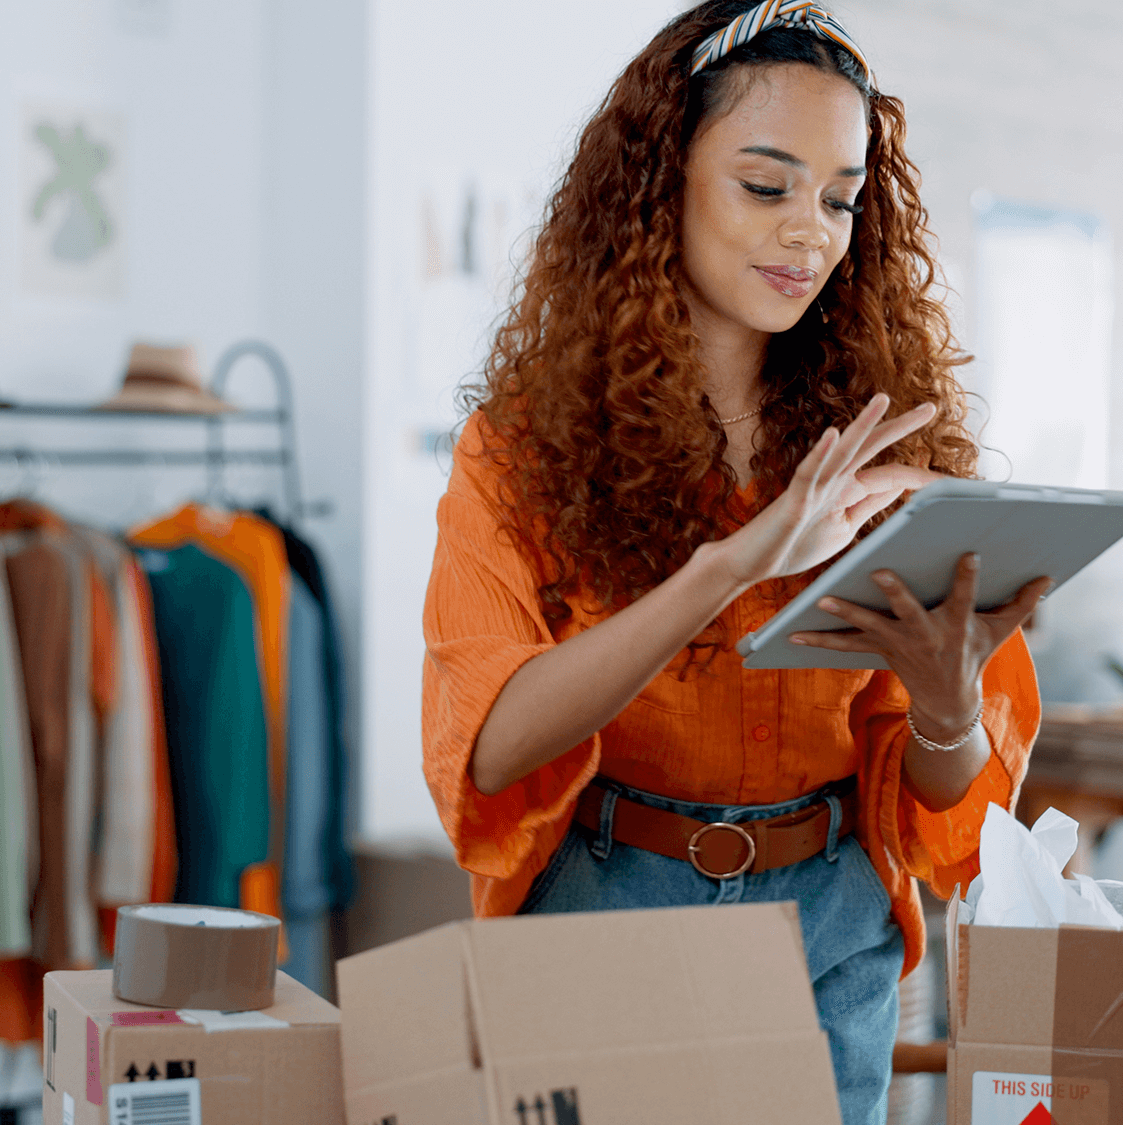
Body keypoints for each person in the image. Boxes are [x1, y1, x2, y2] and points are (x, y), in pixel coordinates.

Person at [420, 3, 1048, 1122]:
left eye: (840, 198)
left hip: (831, 928)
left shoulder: (887, 452)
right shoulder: (520, 452)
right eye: (765, 187)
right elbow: (491, 746)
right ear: (658, 181)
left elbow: (939, 807)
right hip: (604, 919)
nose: (809, 232)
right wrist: (730, 565)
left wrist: (949, 708)